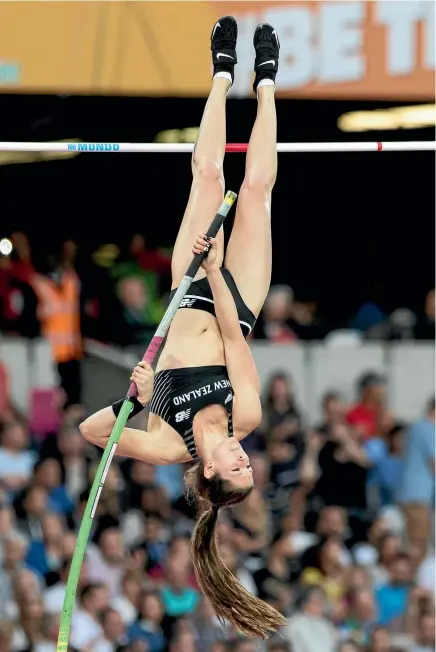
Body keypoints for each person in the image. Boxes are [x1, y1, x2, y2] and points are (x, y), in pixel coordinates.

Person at [80, 16, 284, 639]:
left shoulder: (169, 446)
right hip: (233, 298)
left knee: (206, 178)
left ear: (212, 473)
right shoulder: (244, 414)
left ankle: (222, 74)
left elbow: (91, 430)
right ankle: (268, 80)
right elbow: (231, 342)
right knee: (256, 189)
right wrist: (218, 271)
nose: (245, 456)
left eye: (239, 468)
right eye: (250, 463)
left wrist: (135, 397)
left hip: (182, 292)